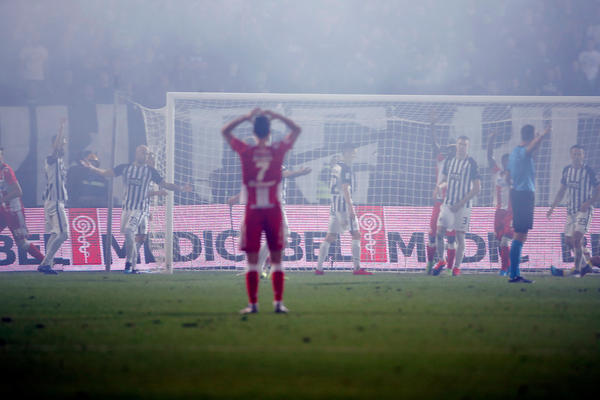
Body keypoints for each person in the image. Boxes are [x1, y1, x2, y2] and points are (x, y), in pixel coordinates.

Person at [222, 108, 301, 314]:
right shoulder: (277, 151)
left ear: (254, 133)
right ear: (269, 132)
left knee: (252, 261)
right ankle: (278, 303)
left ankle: (253, 304)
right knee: (277, 259)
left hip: (253, 211)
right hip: (273, 210)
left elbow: (225, 131)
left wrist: (245, 117)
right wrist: (278, 116)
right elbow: (296, 129)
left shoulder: (246, 151)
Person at [82, 144, 187, 274]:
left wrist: (180, 188)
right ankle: (133, 267)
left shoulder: (151, 171)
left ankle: (128, 263)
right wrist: (92, 168)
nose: (145, 155)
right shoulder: (125, 168)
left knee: (129, 230)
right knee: (139, 239)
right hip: (127, 209)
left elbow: (165, 184)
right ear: (136, 153)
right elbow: (107, 173)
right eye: (143, 152)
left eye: (147, 153)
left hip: (141, 208)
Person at [316, 142, 372, 275]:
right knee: (356, 234)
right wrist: (350, 207)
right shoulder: (345, 168)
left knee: (330, 236)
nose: (354, 155)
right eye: (353, 152)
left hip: (334, 206)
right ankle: (357, 268)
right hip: (344, 206)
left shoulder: (336, 167)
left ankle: (319, 268)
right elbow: (345, 188)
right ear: (346, 152)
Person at [506, 125, 550, 283]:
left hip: (517, 193)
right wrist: (542, 136)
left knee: (521, 234)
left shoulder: (513, 153)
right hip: (524, 194)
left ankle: (514, 273)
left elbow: (507, 176)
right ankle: (514, 274)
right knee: (520, 234)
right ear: (531, 137)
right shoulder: (523, 152)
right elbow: (531, 148)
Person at [547, 145, 600, 277]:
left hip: (584, 211)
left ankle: (577, 269)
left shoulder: (589, 171)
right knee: (569, 241)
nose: (577, 157)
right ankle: (585, 263)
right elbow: (562, 190)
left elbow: (598, 189)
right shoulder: (567, 170)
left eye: (579, 154)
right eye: (574, 154)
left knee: (576, 238)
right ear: (571, 155)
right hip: (570, 211)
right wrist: (552, 207)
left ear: (583, 156)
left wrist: (588, 203)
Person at [431, 136, 481, 276]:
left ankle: (457, 267)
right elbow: (445, 180)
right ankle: (441, 260)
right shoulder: (450, 161)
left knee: (460, 238)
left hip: (463, 206)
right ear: (457, 145)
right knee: (439, 233)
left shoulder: (472, 163)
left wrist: (460, 203)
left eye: (464, 145)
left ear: (468, 147)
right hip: (448, 203)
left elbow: (477, 188)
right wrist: (439, 187)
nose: (462, 147)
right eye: (460, 144)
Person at [0, 148, 46, 267]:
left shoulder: (6, 171)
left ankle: (46, 262)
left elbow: (18, 191)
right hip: (2, 210)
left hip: (14, 211)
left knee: (21, 243)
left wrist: (2, 200)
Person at [425, 119, 457, 274]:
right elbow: (434, 144)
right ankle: (431, 263)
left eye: (453, 149)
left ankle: (449, 268)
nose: (451, 151)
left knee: (451, 238)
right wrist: (432, 126)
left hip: (452, 204)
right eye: (449, 148)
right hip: (439, 202)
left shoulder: (461, 165)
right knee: (432, 235)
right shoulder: (441, 160)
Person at [38, 119, 69, 275]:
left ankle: (47, 264)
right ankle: (45, 263)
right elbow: (56, 147)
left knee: (55, 234)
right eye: (62, 141)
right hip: (54, 201)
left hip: (53, 201)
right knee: (64, 234)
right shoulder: (52, 158)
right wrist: (61, 128)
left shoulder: (59, 160)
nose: (64, 144)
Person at [487, 131, 513, 276]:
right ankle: (506, 266)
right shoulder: (498, 173)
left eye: (509, 161)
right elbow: (490, 157)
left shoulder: (516, 176)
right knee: (500, 241)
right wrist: (490, 141)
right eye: (505, 161)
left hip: (511, 212)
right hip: (498, 212)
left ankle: (505, 268)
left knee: (505, 241)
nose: (507, 163)